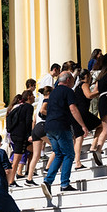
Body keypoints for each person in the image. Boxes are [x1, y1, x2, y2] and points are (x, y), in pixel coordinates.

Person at [41, 71, 88, 200]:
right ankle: (65, 184)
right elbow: (73, 109)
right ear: (68, 80)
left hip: (49, 127)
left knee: (59, 154)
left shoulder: (53, 92)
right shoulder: (68, 91)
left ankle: (47, 181)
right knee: (69, 154)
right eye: (72, 79)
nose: (73, 82)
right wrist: (83, 126)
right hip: (61, 126)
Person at [72, 68, 103, 168]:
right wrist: (99, 91)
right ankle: (93, 146)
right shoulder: (84, 84)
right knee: (100, 125)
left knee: (79, 137)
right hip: (83, 112)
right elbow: (89, 95)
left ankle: (77, 162)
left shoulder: (77, 87)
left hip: (75, 114)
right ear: (86, 76)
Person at [25, 86, 54, 185]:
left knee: (36, 155)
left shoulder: (40, 101)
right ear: (50, 92)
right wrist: (51, 115)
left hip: (37, 128)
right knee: (57, 147)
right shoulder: (47, 100)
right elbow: (43, 110)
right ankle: (47, 168)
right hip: (42, 127)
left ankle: (29, 178)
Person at [7, 91, 34, 186]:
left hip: (14, 134)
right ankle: (10, 181)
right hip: (21, 136)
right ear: (29, 97)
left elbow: (8, 116)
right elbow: (28, 122)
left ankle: (29, 173)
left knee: (34, 150)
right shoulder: (29, 107)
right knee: (16, 160)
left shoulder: (18, 107)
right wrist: (29, 135)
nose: (34, 97)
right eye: (33, 95)